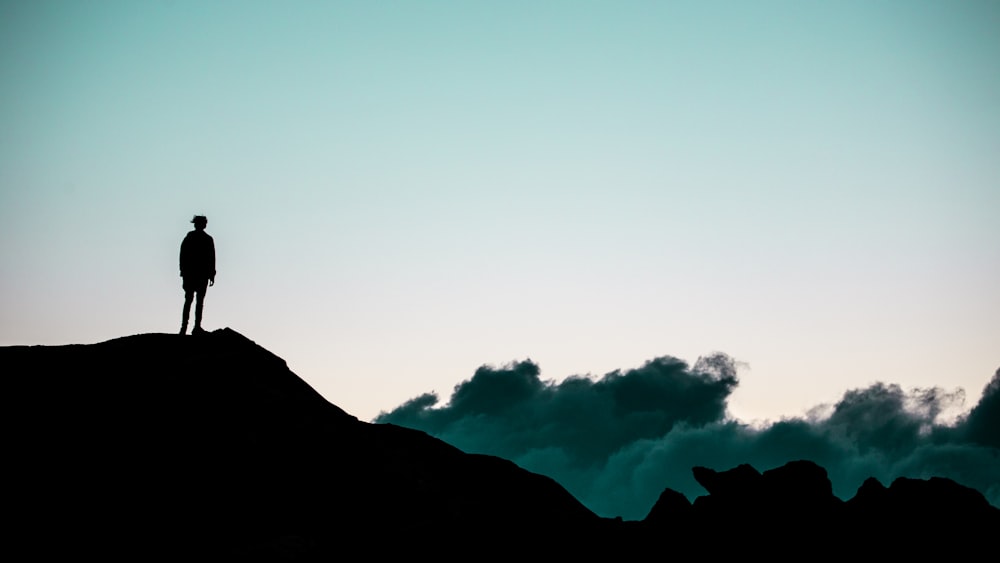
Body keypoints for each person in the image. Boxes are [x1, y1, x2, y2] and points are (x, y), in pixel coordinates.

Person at [179, 215, 216, 335]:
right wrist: (211, 274)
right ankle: (193, 327)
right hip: (197, 274)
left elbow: (182, 255)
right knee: (196, 301)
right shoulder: (205, 239)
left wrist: (211, 273)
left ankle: (187, 327)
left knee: (190, 300)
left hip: (194, 274)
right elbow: (211, 258)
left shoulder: (192, 237)